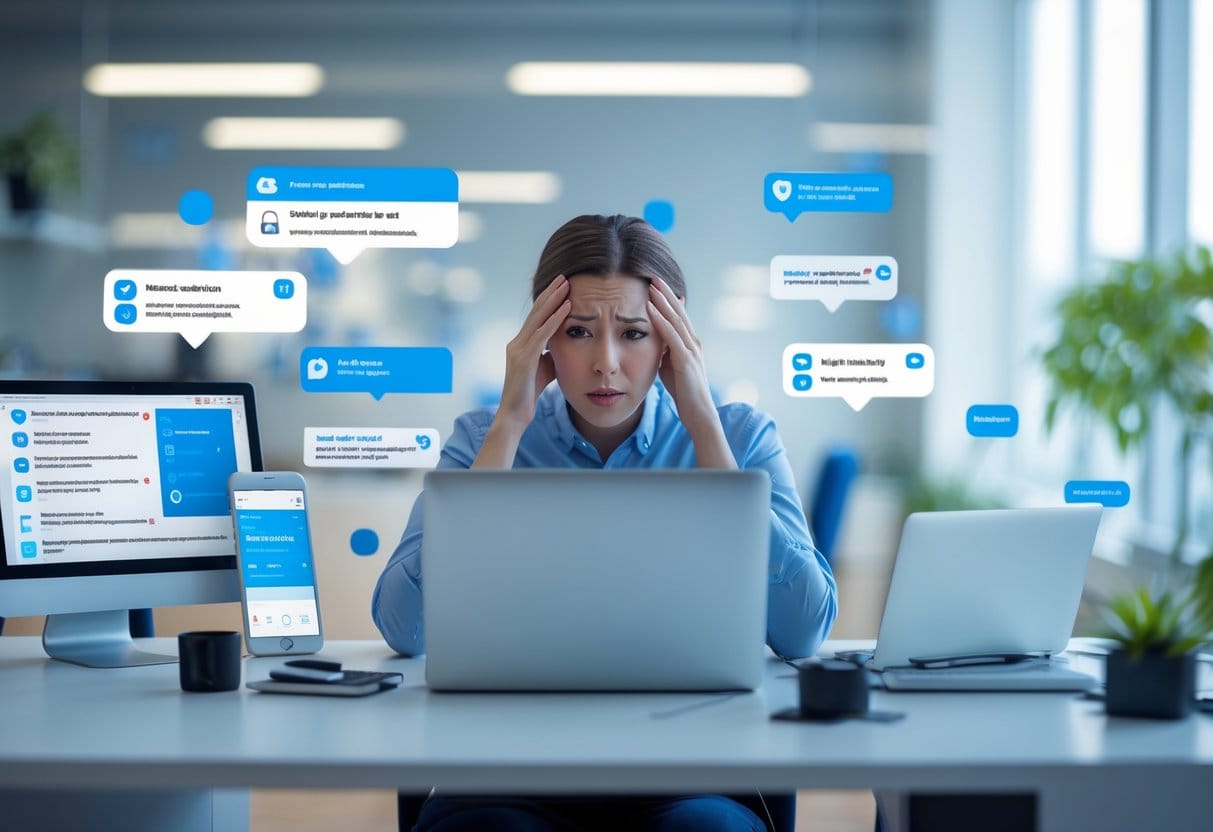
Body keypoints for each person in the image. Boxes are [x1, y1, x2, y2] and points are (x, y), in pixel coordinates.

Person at [372, 214, 838, 832]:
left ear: (672, 340)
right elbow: (403, 627)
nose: (606, 363)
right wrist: (509, 425)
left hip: (691, 768)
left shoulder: (741, 437)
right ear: (542, 339)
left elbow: (804, 630)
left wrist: (703, 424)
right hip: (507, 766)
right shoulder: (484, 439)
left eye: (634, 333)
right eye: (578, 332)